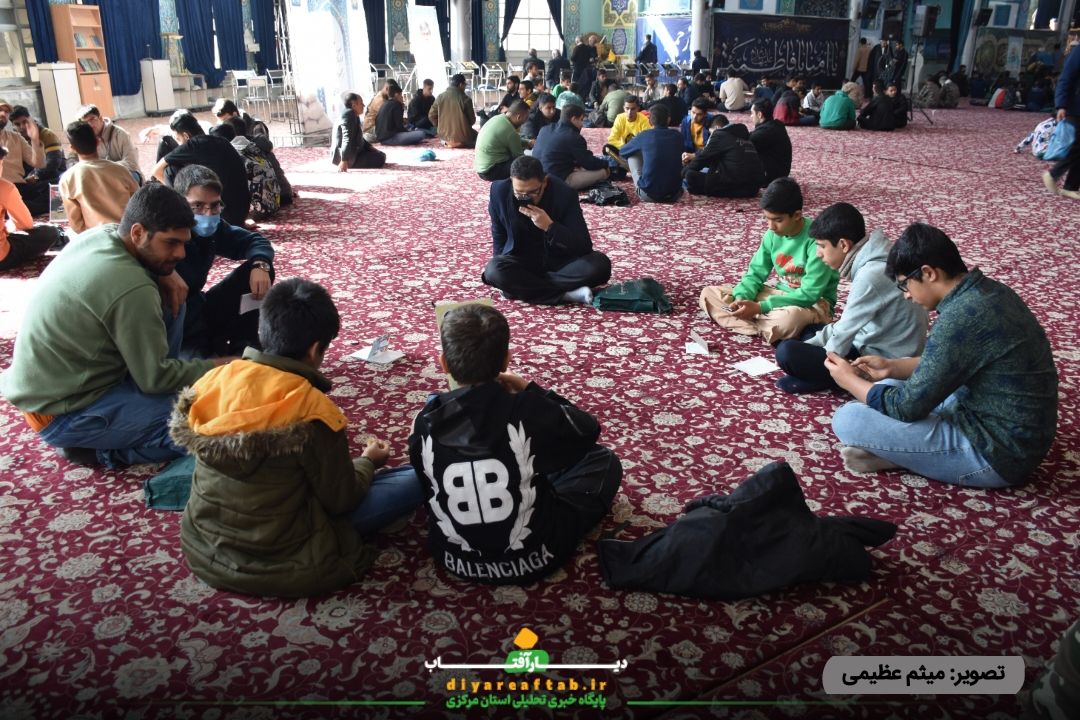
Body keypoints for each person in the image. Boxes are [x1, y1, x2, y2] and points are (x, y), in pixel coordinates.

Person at [172, 278, 423, 597]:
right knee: (418, 478)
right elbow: (342, 499)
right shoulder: (310, 409)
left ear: (264, 329)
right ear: (315, 349)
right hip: (289, 557)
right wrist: (368, 462)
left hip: (206, 549)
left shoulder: (214, 381)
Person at [0, 183, 222, 467]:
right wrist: (221, 366)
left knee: (175, 297)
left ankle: (146, 392)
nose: (181, 254)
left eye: (183, 243)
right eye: (171, 243)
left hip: (58, 384)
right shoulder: (132, 287)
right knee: (208, 424)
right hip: (63, 412)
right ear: (138, 233)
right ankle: (101, 452)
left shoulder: (103, 235)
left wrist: (166, 273)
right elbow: (156, 379)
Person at [826, 223, 1057, 487]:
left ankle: (914, 457)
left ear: (928, 273)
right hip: (1008, 429)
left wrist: (849, 381)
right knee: (888, 384)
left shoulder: (959, 317)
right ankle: (914, 455)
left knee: (849, 419)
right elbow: (952, 363)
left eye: (905, 285)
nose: (907, 296)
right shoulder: (988, 291)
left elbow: (906, 408)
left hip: (996, 455)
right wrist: (893, 366)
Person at [409, 303, 621, 585]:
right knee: (603, 460)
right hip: (536, 557)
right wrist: (530, 389)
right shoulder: (527, 408)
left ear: (443, 363)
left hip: (455, 558)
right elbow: (587, 429)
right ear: (506, 361)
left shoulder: (424, 420)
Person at [774, 203, 928, 394]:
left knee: (786, 352)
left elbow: (844, 333)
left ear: (844, 245)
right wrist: (809, 345)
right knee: (809, 332)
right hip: (877, 340)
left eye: (822, 246)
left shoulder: (871, 275)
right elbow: (848, 325)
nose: (818, 254)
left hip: (885, 360)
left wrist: (818, 362)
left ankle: (834, 380)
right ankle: (818, 374)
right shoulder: (878, 256)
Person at [699, 178, 837, 343]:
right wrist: (741, 297)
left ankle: (754, 323)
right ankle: (764, 327)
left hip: (813, 304)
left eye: (778, 220)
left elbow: (809, 294)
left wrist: (761, 307)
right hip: (778, 296)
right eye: (767, 218)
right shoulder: (772, 235)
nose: (771, 226)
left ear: (797, 215)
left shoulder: (817, 241)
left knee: (789, 320)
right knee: (709, 294)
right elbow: (755, 274)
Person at [169, 164, 275, 356]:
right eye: (197, 206)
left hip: (201, 309)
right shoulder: (164, 236)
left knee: (260, 269)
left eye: (215, 205)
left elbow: (254, 241)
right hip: (177, 325)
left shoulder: (214, 228)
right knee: (203, 371)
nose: (208, 214)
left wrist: (261, 264)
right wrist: (165, 274)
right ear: (180, 204)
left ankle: (244, 342)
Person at [482, 155, 611, 305]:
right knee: (494, 270)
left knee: (600, 264)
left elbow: (583, 245)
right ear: (511, 181)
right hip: (521, 261)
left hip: (558, 263)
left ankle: (522, 288)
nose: (525, 198)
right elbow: (499, 234)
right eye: (519, 193)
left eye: (532, 192)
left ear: (545, 182)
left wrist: (550, 226)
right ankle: (565, 295)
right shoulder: (499, 191)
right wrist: (500, 267)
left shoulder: (564, 193)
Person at [152, 110, 251, 227]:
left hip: (223, 216)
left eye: (178, 139)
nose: (178, 144)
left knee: (169, 169)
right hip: (241, 213)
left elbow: (156, 171)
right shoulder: (221, 140)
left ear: (186, 136)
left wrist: (179, 195)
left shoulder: (193, 145)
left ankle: (182, 217)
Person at [60, 120, 139, 234]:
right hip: (126, 233)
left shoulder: (68, 179)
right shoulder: (120, 170)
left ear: (72, 148)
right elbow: (138, 203)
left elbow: (76, 225)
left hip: (95, 236)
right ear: (98, 141)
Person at [0, 146, 63, 272]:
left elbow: (39, 163)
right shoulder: (4, 187)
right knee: (50, 232)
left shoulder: (17, 138)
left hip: (25, 185)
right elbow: (25, 225)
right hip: (3, 256)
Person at [683, 115, 765, 197]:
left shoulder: (719, 134)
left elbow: (702, 159)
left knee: (690, 175)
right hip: (754, 188)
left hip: (736, 185)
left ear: (716, 128)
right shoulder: (742, 135)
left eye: (711, 133)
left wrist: (682, 173)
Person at [531, 104, 610, 190]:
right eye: (581, 120)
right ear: (573, 119)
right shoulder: (573, 136)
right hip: (556, 182)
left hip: (536, 177)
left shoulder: (544, 129)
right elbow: (589, 163)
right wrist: (606, 164)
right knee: (603, 171)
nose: (582, 124)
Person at [618, 105, 684, 203]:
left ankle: (642, 182)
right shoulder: (678, 136)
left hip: (648, 195)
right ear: (668, 119)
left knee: (632, 156)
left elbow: (623, 152)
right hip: (674, 195)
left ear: (650, 121)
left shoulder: (645, 135)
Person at [1042, 39, 1080, 199]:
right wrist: (1061, 105)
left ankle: (1070, 187)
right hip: (1075, 106)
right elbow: (1066, 78)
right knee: (1076, 146)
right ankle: (1053, 174)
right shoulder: (1078, 52)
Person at [68, 103, 141, 183]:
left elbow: (131, 163)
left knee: (131, 177)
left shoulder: (120, 134)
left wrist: (103, 169)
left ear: (100, 118)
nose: (90, 125)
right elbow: (72, 161)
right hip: (97, 176)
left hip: (121, 173)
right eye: (85, 123)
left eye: (92, 119)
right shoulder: (82, 137)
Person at [0, 100, 46, 215]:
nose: (3, 114)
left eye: (6, 111)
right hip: (2, 189)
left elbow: (39, 164)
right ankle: (19, 209)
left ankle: (16, 209)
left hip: (19, 187)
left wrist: (35, 140)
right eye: (0, 110)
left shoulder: (16, 137)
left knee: (54, 189)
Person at [475, 101, 529, 181]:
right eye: (526, 118)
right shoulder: (511, 131)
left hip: (480, 168)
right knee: (524, 165)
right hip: (491, 171)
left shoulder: (499, 118)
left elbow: (511, 140)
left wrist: (528, 142)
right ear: (519, 117)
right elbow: (519, 157)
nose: (525, 122)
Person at [331, 92, 387, 170]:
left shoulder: (352, 114)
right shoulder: (348, 115)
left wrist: (369, 147)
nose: (364, 105)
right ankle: (346, 162)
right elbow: (346, 138)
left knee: (380, 154)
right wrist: (344, 160)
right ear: (354, 105)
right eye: (361, 103)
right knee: (380, 158)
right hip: (346, 157)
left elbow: (357, 136)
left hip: (354, 151)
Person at [9, 106, 65, 184]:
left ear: (31, 120)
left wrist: (35, 176)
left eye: (25, 122)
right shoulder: (16, 139)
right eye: (17, 124)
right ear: (13, 126)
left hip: (53, 176)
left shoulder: (47, 134)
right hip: (30, 178)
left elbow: (53, 162)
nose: (22, 127)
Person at [749, 99, 792, 186]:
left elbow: (742, 144)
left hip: (770, 177)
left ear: (759, 114)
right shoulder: (775, 125)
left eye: (752, 113)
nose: (751, 116)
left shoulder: (766, 132)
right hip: (780, 173)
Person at [430, 74, 478, 149]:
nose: (465, 87)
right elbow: (472, 121)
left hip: (444, 137)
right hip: (463, 138)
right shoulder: (466, 99)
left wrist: (440, 126)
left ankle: (448, 143)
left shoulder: (440, 97)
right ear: (461, 85)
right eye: (465, 85)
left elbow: (431, 115)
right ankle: (459, 143)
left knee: (444, 140)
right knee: (478, 136)